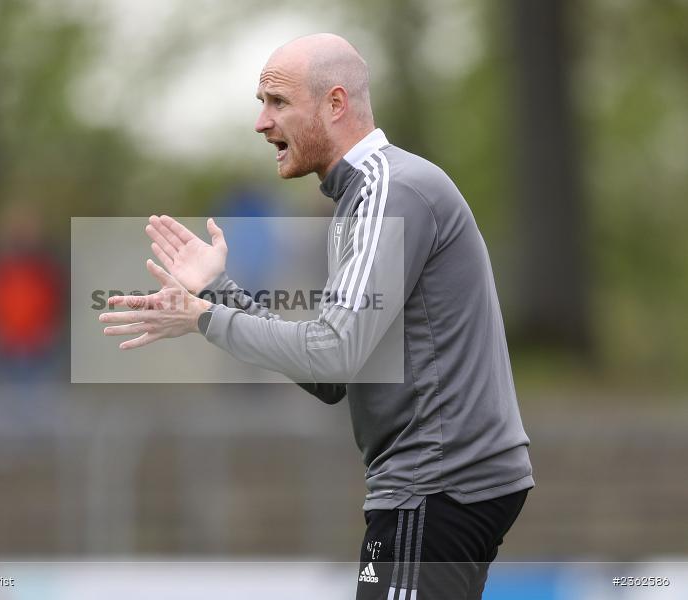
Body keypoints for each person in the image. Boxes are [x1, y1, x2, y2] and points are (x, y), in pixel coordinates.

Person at [99, 33, 534, 599]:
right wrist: (219, 292)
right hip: (437, 483)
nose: (261, 122)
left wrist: (204, 315)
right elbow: (332, 375)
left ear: (335, 104)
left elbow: (333, 352)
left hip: (437, 483)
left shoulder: (386, 191)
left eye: (277, 102)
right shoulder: (362, 199)